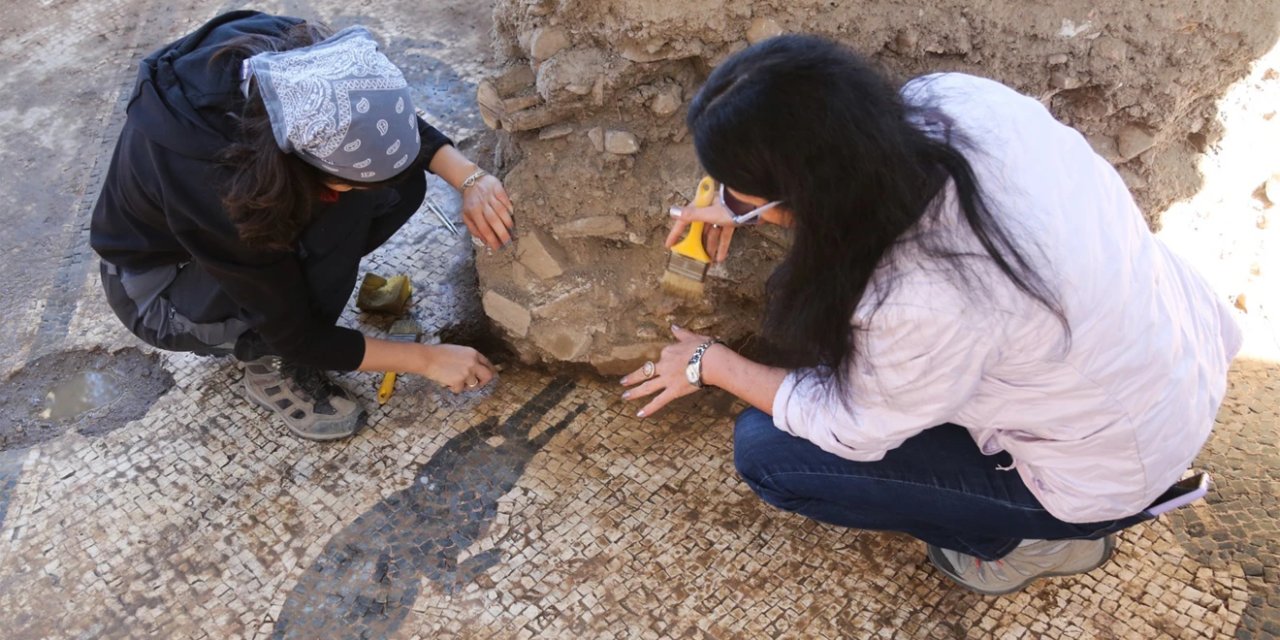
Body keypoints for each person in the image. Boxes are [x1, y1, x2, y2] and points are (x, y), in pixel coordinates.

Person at [621, 35, 1241, 595]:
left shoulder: (917, 296)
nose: (726, 202)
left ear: (806, 193)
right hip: (1175, 358)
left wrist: (714, 363)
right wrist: (751, 205)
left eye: (741, 195)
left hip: (1105, 466)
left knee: (769, 450)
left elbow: (851, 429)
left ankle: (1039, 539)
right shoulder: (952, 101)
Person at [91, 11, 513, 441]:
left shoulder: (296, 60)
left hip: (221, 238)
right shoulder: (221, 191)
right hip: (161, 290)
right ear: (300, 162)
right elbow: (297, 335)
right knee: (334, 229)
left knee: (396, 188)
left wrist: (470, 178)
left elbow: (373, 116)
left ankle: (302, 281)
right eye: (342, 182)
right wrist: (426, 359)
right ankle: (267, 363)